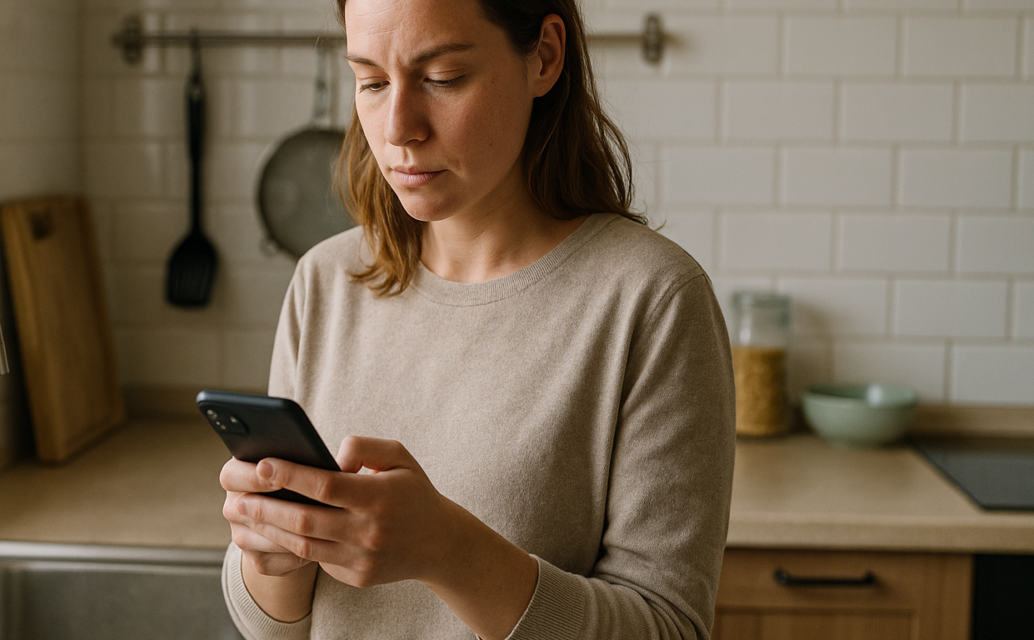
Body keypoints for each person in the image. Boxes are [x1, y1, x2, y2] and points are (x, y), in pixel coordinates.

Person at [218, 0, 736, 638]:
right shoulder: (326, 280)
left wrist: (450, 551)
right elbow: (272, 628)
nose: (399, 127)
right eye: (373, 82)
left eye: (443, 79)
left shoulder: (652, 299)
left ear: (544, 56)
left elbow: (669, 628)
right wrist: (274, 557)